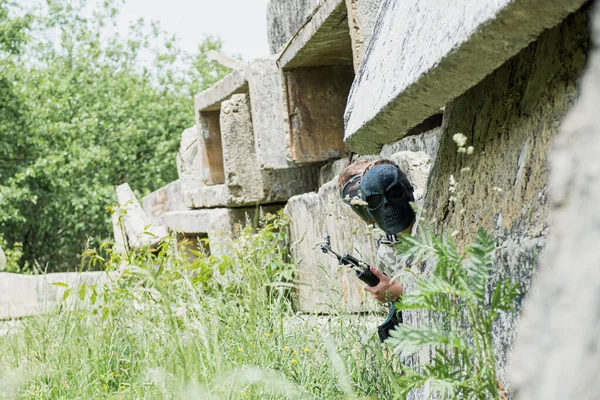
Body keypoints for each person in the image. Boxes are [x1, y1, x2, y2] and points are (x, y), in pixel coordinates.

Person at [338, 159, 416, 304]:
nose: (385, 203)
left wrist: (401, 291)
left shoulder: (429, 212)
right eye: (373, 199)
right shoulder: (386, 251)